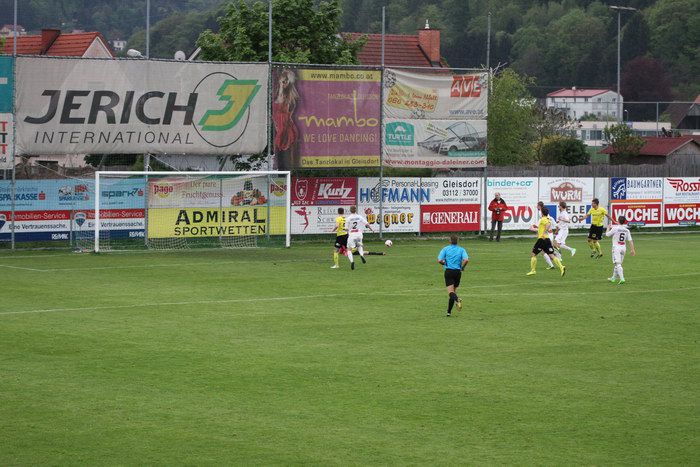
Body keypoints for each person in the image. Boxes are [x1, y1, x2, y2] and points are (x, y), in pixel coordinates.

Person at [272, 69, 299, 170]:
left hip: (286, 131)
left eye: (286, 81)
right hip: (278, 128)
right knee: (278, 157)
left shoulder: (290, 98)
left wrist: (281, 88)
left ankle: (287, 175)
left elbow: (281, 105)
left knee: (286, 159)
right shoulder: (275, 94)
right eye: (282, 81)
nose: (283, 83)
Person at [527, 207, 566, 277]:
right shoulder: (547, 219)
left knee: (533, 254)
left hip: (542, 239)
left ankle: (533, 270)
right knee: (551, 255)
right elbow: (543, 227)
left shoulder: (543, 219)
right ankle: (561, 267)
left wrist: (544, 231)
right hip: (547, 239)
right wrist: (536, 229)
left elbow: (548, 224)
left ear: (542, 213)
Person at [437, 235, 469, 317]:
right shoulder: (461, 250)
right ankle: (449, 312)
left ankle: (457, 299)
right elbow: (466, 260)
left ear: (450, 241)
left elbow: (439, 260)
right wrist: (462, 267)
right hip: (458, 272)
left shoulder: (445, 249)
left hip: (449, 272)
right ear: (457, 241)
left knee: (451, 292)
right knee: (453, 292)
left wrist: (444, 263)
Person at [605, 215, 636, 285]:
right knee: (618, 264)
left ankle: (622, 279)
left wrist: (608, 228)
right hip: (623, 248)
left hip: (616, 248)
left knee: (617, 264)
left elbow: (607, 235)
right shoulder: (627, 230)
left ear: (618, 220)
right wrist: (632, 250)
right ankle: (613, 278)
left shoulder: (615, 228)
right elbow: (630, 240)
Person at [345, 206, 374, 270]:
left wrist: (347, 233)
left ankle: (352, 262)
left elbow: (346, 229)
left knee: (349, 249)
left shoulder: (348, 218)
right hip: (359, 234)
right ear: (355, 210)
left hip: (352, 235)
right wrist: (371, 229)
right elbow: (366, 224)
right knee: (359, 247)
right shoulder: (359, 216)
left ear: (350, 210)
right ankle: (361, 255)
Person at [536, 201, 561, 269]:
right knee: (547, 251)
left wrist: (538, 231)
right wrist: (556, 231)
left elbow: (539, 227)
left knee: (544, 251)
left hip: (546, 235)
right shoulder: (550, 218)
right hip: (550, 234)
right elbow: (558, 227)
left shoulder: (543, 218)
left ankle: (556, 259)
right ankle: (555, 259)